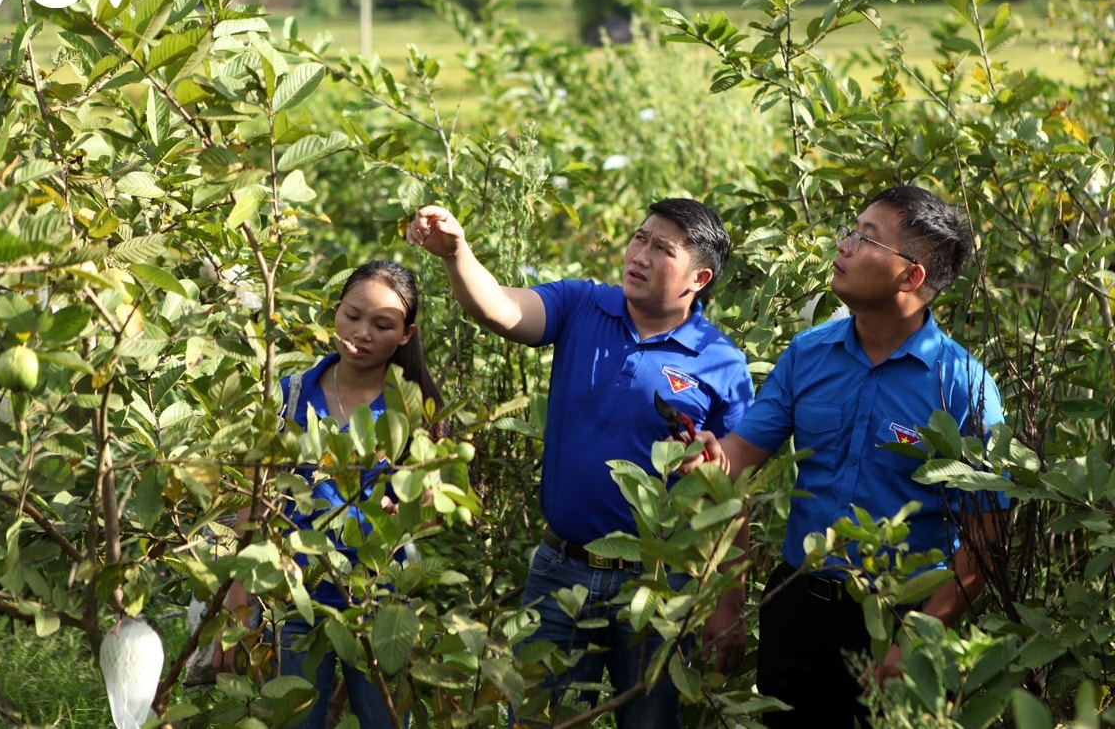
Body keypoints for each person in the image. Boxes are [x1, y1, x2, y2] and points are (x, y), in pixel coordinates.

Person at [406, 198, 755, 727]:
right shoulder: (582, 305)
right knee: (537, 718)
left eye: (663, 249)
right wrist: (457, 253)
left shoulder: (721, 362)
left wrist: (727, 604)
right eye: (640, 238)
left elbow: (733, 494)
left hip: (657, 586)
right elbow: (498, 309)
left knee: (652, 721)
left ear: (699, 277)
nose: (639, 254)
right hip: (559, 573)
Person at [697, 185, 1008, 728]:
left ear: (912, 277)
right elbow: (740, 454)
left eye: (867, 237)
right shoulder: (810, 353)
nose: (843, 244)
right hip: (797, 606)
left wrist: (920, 637)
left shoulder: (963, 386)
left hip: (898, 618)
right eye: (851, 228)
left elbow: (986, 538)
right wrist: (704, 457)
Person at [217, 259, 444, 729]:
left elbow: (432, 512)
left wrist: (407, 507)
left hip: (381, 604)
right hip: (296, 599)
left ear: (405, 334)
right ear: (335, 311)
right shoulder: (292, 395)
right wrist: (239, 600)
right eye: (352, 315)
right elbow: (256, 502)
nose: (361, 332)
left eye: (382, 324)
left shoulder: (415, 407)